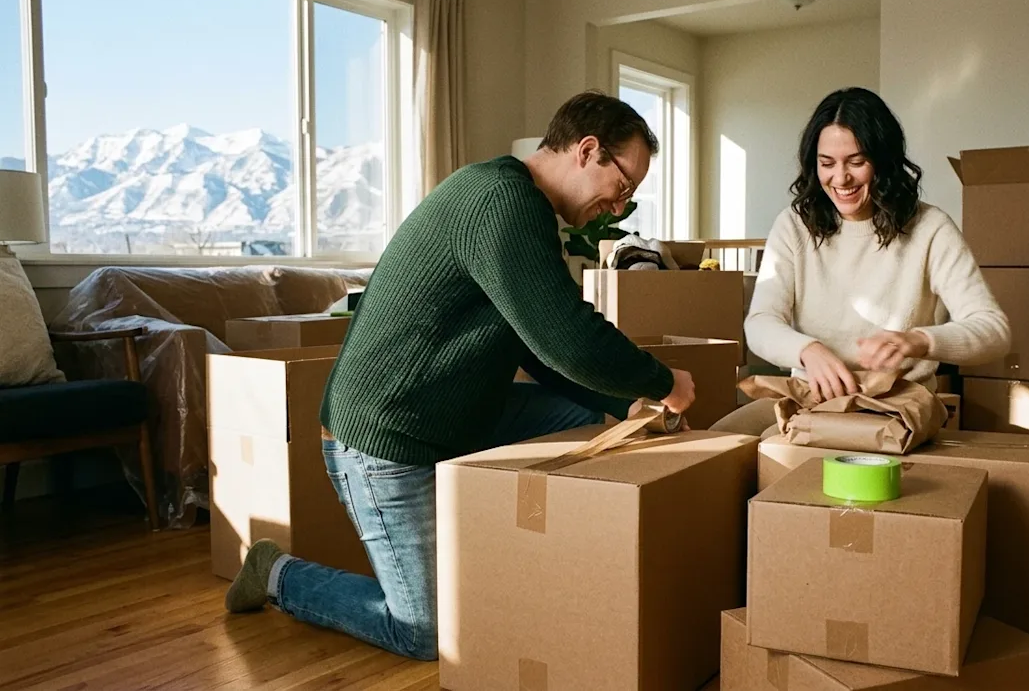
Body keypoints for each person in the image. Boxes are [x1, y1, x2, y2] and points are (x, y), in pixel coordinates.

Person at [222, 91, 696, 660]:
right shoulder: (502, 202)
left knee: (586, 417)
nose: (619, 208)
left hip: (457, 412)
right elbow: (567, 337)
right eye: (622, 186)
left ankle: (538, 556)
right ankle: (276, 573)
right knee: (423, 632)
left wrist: (625, 406)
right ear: (587, 150)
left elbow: (538, 347)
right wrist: (661, 382)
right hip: (388, 438)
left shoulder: (518, 206)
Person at [712, 87, 1010, 436]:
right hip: (809, 395)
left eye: (856, 162)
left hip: (894, 405)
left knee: (776, 450)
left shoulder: (931, 228)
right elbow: (761, 323)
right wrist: (807, 351)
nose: (840, 179)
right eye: (827, 164)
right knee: (713, 444)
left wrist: (918, 341)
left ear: (884, 161)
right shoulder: (793, 225)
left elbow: (994, 331)